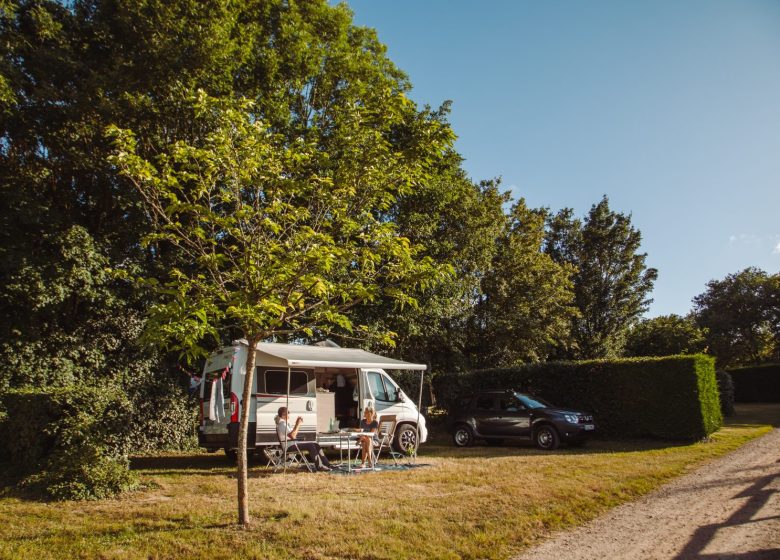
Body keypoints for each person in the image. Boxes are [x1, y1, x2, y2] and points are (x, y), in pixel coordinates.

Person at [276, 406, 332, 472]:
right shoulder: (282, 424)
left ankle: (327, 464)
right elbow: (292, 436)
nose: (289, 414)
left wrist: (297, 424)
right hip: (289, 447)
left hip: (293, 444)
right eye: (288, 412)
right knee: (310, 445)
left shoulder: (285, 423)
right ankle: (320, 466)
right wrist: (298, 424)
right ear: (283, 414)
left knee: (315, 444)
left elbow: (293, 434)